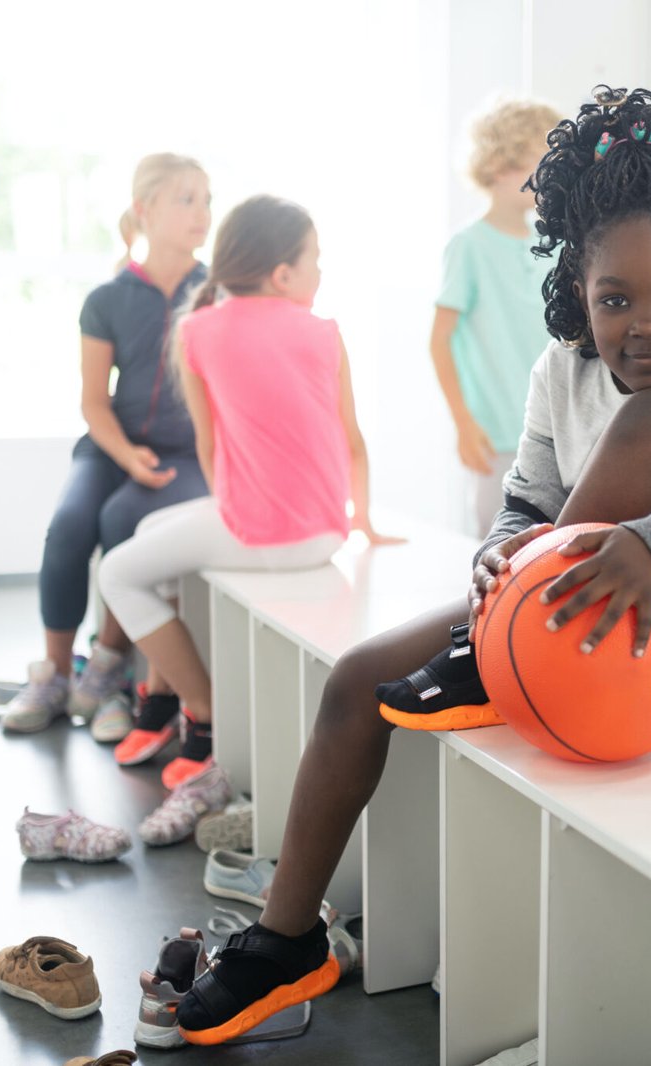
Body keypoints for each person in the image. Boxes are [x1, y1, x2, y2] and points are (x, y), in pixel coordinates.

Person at [171, 86, 651, 1046]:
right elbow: (527, 503)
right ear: (575, 296)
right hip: (543, 631)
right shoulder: (559, 370)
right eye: (614, 299)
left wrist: (650, 544)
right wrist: (504, 550)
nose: (647, 325)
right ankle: (285, 939)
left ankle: (491, 650)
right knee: (354, 681)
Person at [97, 194, 400, 790]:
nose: (321, 271)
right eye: (316, 259)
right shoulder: (324, 330)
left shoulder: (198, 330)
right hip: (323, 531)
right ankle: (161, 701)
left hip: (262, 532)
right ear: (282, 274)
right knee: (149, 533)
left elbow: (210, 451)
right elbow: (353, 440)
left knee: (117, 574)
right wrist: (360, 520)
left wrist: (233, 509)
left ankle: (204, 715)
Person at [3, 153, 213, 739]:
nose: (203, 212)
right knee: (70, 526)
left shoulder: (217, 293)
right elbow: (94, 401)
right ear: (144, 210)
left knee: (123, 523)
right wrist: (125, 456)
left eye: (207, 199)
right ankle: (51, 674)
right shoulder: (107, 298)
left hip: (185, 454)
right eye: (186, 199)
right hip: (110, 446)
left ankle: (108, 671)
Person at [430, 98, 563, 534]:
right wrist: (463, 424)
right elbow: (439, 340)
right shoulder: (469, 246)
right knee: (497, 544)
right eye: (541, 161)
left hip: (557, 428)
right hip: (497, 434)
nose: (552, 174)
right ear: (502, 164)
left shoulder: (554, 244)